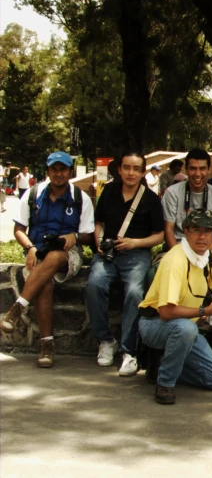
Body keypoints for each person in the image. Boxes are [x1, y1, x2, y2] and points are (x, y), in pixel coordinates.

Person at [1, 152, 94, 368]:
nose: (59, 173)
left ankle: (17, 308)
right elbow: (19, 229)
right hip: (37, 253)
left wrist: (75, 236)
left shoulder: (81, 198)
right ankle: (47, 346)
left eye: (63, 169)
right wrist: (30, 248)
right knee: (44, 285)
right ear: (48, 171)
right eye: (54, 169)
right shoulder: (33, 194)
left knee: (54, 256)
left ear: (70, 172)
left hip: (68, 254)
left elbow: (89, 236)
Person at [137, 209, 212, 404]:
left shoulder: (210, 259)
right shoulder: (174, 260)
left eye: (208, 231)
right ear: (186, 231)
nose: (203, 236)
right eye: (197, 230)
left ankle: (161, 364)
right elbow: (166, 312)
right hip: (154, 323)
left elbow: (207, 295)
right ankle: (165, 383)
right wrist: (205, 311)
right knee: (186, 328)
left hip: (187, 327)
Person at [86, 151, 164, 376]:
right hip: (108, 253)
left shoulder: (150, 199)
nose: (131, 173)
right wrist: (99, 241)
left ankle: (129, 351)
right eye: (127, 167)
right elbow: (98, 222)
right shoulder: (109, 191)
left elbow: (158, 235)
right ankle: (105, 341)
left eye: (136, 169)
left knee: (134, 292)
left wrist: (135, 242)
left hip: (136, 254)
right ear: (119, 169)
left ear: (142, 172)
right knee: (95, 285)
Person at [161, 149, 212, 253]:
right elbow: (168, 229)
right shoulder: (172, 193)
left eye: (202, 168)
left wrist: (206, 256)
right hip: (176, 249)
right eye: (193, 168)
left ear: (208, 170)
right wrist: (178, 257)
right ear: (186, 170)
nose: (197, 174)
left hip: (207, 251)